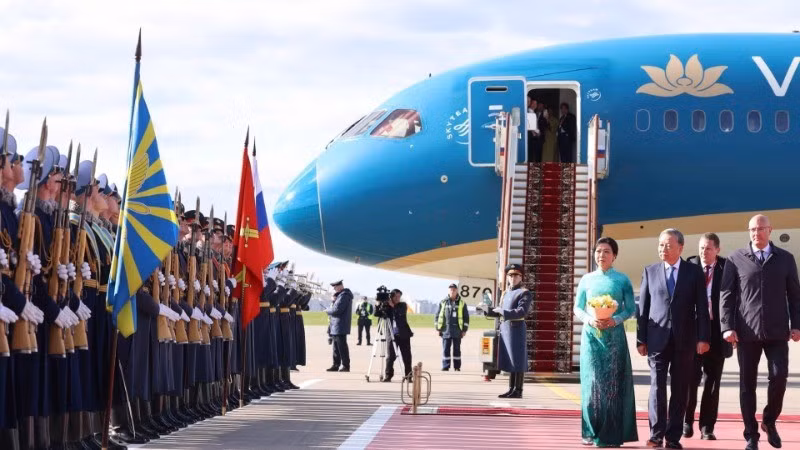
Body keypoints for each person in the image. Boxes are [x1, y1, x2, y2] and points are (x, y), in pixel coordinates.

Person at [720, 214, 800, 450]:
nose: (756, 233)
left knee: (779, 377)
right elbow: (726, 295)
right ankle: (751, 435)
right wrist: (727, 326)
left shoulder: (785, 259)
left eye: (760, 229)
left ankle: (769, 420)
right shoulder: (735, 259)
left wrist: (796, 324)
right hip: (746, 332)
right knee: (747, 384)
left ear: (770, 230)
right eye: (752, 229)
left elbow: (795, 296)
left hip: (777, 332)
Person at [637, 228, 710, 449]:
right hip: (657, 339)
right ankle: (656, 433)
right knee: (657, 387)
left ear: (681, 247)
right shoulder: (650, 271)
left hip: (685, 340)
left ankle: (673, 436)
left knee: (680, 389)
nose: (663, 249)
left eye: (668, 245)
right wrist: (641, 339)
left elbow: (702, 308)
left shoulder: (694, 272)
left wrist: (703, 338)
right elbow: (643, 307)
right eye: (660, 244)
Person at [573, 237, 638, 447]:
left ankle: (612, 431)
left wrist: (615, 319)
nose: (602, 255)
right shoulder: (586, 279)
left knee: (612, 386)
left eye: (607, 251)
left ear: (615, 256)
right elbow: (578, 308)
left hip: (614, 339)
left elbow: (630, 308)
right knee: (592, 385)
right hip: (591, 337)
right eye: (599, 251)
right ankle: (590, 431)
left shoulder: (622, 280)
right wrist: (590, 319)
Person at [684, 233, 732, 441]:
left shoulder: (726, 268)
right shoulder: (690, 265)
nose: (704, 252)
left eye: (709, 248)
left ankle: (707, 426)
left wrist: (732, 329)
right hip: (694, 331)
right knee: (690, 379)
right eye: (702, 248)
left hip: (716, 330)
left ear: (717, 250)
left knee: (712, 382)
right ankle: (686, 421)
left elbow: (734, 300)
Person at [485, 263, 532, 399]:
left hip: (516, 329)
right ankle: (511, 388)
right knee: (511, 360)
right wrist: (487, 310)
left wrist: (504, 312)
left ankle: (518, 390)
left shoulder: (524, 293)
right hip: (506, 330)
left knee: (518, 360)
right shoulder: (506, 293)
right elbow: (500, 311)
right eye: (510, 275)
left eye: (516, 275)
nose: (513, 278)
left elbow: (521, 311)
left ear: (521, 277)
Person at [379, 289, 413, 382]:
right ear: (391, 297)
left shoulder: (403, 305)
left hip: (403, 334)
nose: (398, 298)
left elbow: (399, 314)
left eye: (399, 296)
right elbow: (377, 314)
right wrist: (379, 305)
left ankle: (409, 376)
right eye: (396, 296)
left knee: (407, 356)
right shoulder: (387, 306)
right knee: (390, 356)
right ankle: (388, 375)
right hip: (391, 334)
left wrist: (392, 306)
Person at [435, 283, 469, 371]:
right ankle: (445, 366)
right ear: (448, 291)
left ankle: (457, 367)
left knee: (457, 350)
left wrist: (464, 330)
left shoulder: (462, 303)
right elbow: (437, 316)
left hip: (457, 331)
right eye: (451, 289)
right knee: (446, 349)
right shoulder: (443, 302)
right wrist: (438, 328)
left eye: (454, 289)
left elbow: (466, 318)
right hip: (446, 330)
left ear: (457, 290)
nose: (452, 291)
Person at [325, 280, 353, 372]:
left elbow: (337, 310)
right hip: (336, 325)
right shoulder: (341, 296)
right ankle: (336, 364)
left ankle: (345, 365)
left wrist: (328, 310)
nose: (334, 289)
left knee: (342, 347)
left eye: (335, 287)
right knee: (336, 347)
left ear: (340, 286)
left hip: (340, 324)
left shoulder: (344, 296)